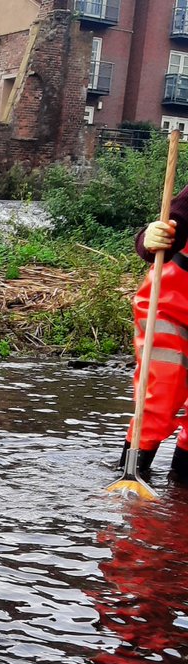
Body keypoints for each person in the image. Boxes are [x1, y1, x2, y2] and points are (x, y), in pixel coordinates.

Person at [127, 187, 188, 484]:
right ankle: (129, 483)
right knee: (158, 399)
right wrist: (149, 239)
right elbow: (170, 226)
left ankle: (176, 508)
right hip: (171, 306)